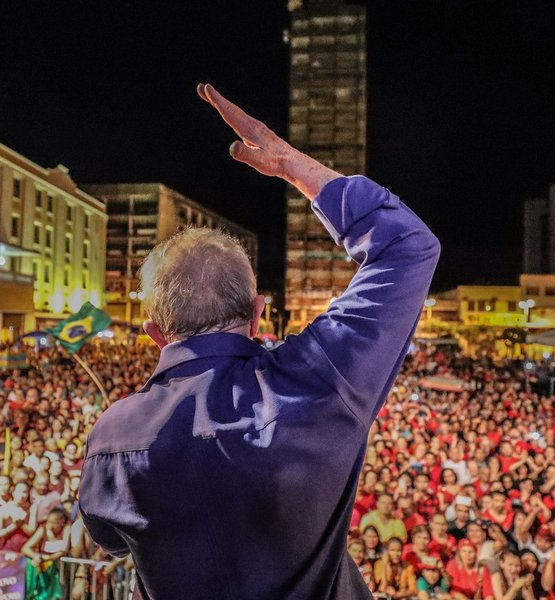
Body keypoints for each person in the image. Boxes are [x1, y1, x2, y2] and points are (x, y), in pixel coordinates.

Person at [79, 83, 440, 598]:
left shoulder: (111, 435)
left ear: (155, 334)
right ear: (257, 315)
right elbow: (407, 244)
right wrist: (293, 165)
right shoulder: (314, 380)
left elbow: (109, 538)